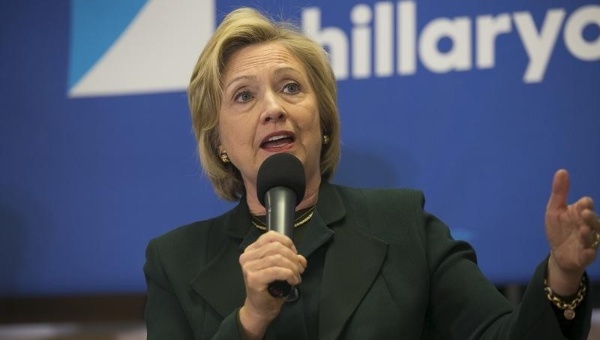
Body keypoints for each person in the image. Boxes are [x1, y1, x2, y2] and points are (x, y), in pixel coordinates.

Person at [143, 7, 599, 340]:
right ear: (218, 141)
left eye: (290, 87)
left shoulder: (403, 226)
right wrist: (250, 320)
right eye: (243, 96)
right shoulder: (175, 261)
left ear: (322, 121)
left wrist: (560, 275)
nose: (273, 109)